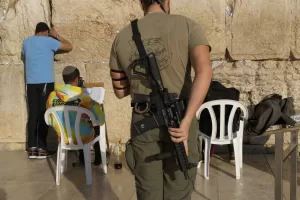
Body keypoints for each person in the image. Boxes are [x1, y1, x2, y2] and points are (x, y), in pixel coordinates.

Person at [108, 0, 212, 199]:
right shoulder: (189, 26)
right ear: (167, 1)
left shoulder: (122, 36)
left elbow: (120, 92)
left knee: (148, 191)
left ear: (141, 3)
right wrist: (187, 121)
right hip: (181, 118)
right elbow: (205, 72)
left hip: (143, 120)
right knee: (180, 187)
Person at [21, 22, 73, 159]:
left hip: (31, 83)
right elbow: (69, 46)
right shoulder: (49, 41)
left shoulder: (26, 42)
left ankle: (32, 148)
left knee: (33, 115)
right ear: (46, 32)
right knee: (45, 114)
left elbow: (24, 54)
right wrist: (56, 35)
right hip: (46, 83)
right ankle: (42, 148)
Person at [46, 66, 105, 166]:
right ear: (77, 79)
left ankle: (82, 159)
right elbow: (101, 119)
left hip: (63, 137)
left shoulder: (52, 96)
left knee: (77, 124)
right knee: (95, 127)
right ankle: (98, 160)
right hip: (83, 138)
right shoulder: (84, 98)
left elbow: (49, 120)